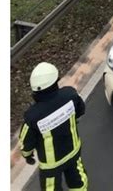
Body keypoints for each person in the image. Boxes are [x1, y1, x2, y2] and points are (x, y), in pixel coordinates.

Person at [19, 62, 88, 191]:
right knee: (78, 181)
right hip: (73, 152)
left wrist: (27, 155)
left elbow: (26, 141)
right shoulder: (70, 95)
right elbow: (80, 110)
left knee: (51, 188)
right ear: (56, 81)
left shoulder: (32, 116)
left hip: (51, 165)